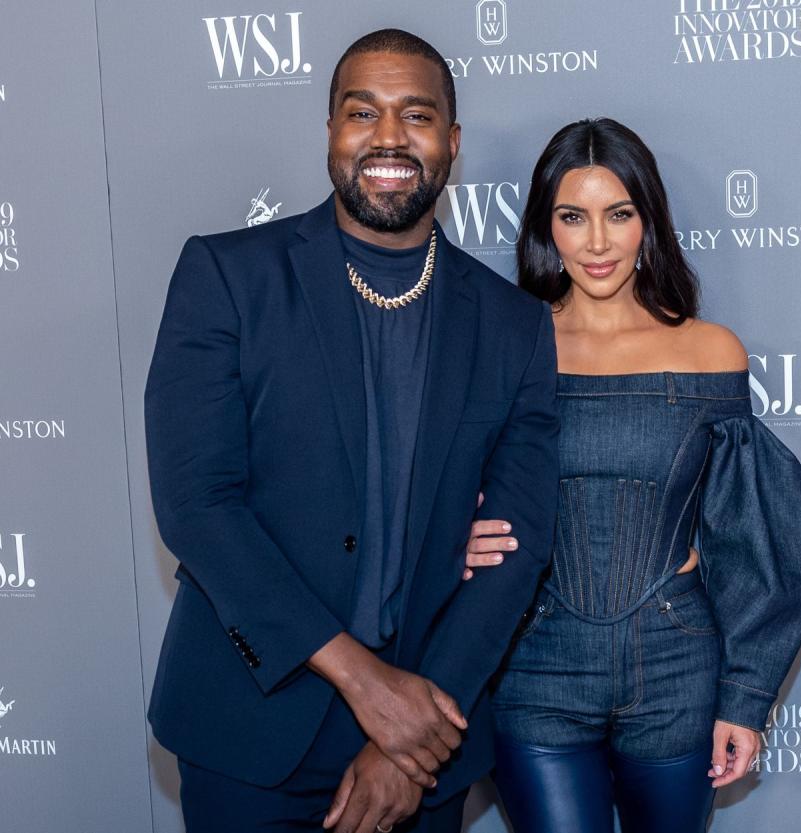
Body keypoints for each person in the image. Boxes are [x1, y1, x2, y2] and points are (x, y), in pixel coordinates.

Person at [144, 29, 559, 833]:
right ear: (331, 130)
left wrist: (414, 738)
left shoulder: (514, 326)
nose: (390, 138)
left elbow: (518, 546)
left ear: (452, 141)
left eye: (417, 115)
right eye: (361, 112)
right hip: (250, 731)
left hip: (427, 741)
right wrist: (371, 687)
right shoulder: (228, 277)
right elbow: (198, 505)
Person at [464, 118, 801, 833]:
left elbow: (750, 536)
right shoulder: (503, 348)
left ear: (647, 221)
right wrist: (454, 537)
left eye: (618, 214)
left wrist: (745, 696)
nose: (597, 242)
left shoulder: (709, 351)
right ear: (545, 228)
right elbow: (428, 486)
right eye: (573, 216)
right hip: (535, 665)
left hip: (676, 669)